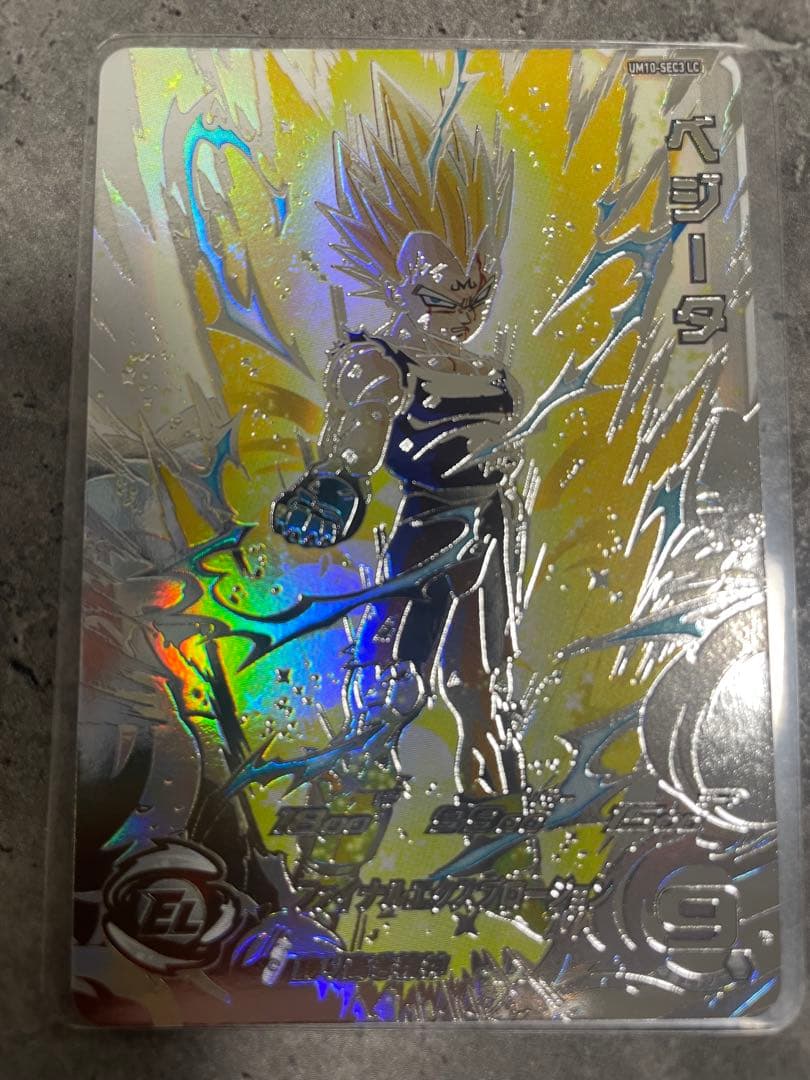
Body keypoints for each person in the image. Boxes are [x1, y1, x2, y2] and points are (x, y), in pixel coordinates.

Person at [272, 72, 527, 805]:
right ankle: (351, 799)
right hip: (430, 526)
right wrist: (335, 484)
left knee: (482, 678)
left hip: (493, 526)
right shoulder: (380, 360)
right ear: (398, 284)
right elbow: (356, 440)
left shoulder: (484, 364)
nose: (467, 311)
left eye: (478, 293)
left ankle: (491, 796)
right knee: (397, 673)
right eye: (447, 296)